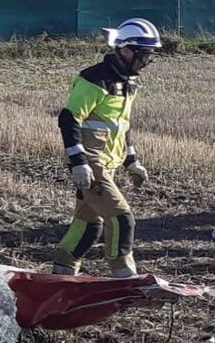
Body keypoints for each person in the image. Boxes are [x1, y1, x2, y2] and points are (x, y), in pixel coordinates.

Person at [52, 18, 160, 277]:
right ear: (126, 50)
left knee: (88, 226)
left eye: (150, 55)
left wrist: (132, 161)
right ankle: (124, 276)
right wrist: (78, 163)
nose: (147, 61)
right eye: (144, 54)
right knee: (122, 219)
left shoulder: (128, 82)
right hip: (91, 163)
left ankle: (61, 273)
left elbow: (121, 126)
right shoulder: (94, 79)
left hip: (108, 163)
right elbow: (69, 118)